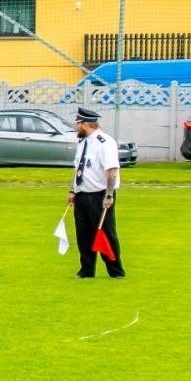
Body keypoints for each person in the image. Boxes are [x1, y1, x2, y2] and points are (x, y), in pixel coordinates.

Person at [67, 108, 125, 279]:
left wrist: (109, 195)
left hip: (100, 196)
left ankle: (116, 271)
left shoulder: (105, 142)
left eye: (77, 124)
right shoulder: (83, 143)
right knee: (83, 235)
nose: (76, 127)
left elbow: (112, 170)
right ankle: (86, 270)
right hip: (82, 195)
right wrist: (72, 190)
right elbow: (78, 168)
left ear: (85, 124)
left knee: (106, 233)